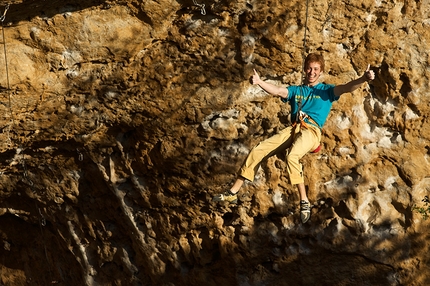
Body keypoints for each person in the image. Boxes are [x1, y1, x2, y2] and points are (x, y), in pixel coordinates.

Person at [213, 53, 375, 223]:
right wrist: (260, 82)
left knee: (292, 155)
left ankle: (304, 200)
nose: (312, 72)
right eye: (309, 68)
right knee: (259, 149)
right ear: (305, 69)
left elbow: (346, 87)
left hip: (311, 131)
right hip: (293, 129)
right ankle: (233, 192)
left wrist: (363, 78)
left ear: (321, 72)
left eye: (316, 69)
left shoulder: (326, 91)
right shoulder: (296, 91)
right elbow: (277, 91)